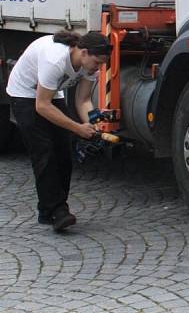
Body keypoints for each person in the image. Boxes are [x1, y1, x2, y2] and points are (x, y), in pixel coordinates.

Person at [5, 31, 112, 231]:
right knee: (44, 151)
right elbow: (42, 106)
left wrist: (95, 123)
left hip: (50, 93)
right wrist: (78, 128)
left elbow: (83, 100)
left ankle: (51, 210)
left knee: (64, 150)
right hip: (24, 93)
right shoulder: (55, 59)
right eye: (97, 62)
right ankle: (57, 211)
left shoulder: (89, 65)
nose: (98, 68)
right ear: (84, 52)